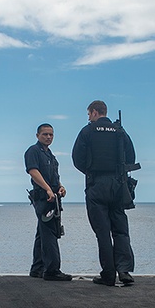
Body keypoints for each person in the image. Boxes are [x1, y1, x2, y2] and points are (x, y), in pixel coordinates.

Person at [71, 100, 136, 287]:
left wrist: (91, 172)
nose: (89, 118)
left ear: (93, 112)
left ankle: (108, 274)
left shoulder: (87, 131)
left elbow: (77, 159)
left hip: (96, 184)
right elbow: (131, 158)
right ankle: (124, 271)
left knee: (102, 232)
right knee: (121, 230)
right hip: (118, 185)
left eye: (89, 114)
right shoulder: (120, 131)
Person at [25, 123, 72, 281]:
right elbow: (33, 171)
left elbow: (54, 177)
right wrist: (47, 189)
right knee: (50, 233)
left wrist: (60, 187)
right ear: (37, 135)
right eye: (45, 134)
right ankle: (52, 270)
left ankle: (37, 268)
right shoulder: (33, 151)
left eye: (51, 134)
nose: (48, 137)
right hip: (43, 198)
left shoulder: (51, 155)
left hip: (53, 198)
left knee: (42, 232)